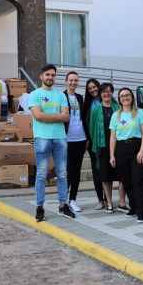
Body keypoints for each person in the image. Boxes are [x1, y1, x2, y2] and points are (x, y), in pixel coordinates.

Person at [29, 64, 74, 222]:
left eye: (53, 75)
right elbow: (38, 116)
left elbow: (66, 116)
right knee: (41, 174)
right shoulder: (34, 95)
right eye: (47, 75)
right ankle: (40, 207)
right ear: (41, 76)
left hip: (60, 137)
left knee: (62, 173)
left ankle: (63, 205)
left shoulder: (61, 96)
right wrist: (58, 116)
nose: (50, 77)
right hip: (42, 137)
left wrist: (50, 115)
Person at [109, 88, 143, 223]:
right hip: (121, 149)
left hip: (136, 147)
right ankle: (133, 206)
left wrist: (142, 150)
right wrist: (112, 155)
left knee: (137, 181)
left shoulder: (139, 113)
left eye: (127, 95)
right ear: (119, 99)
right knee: (126, 181)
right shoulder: (116, 115)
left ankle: (140, 211)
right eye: (122, 96)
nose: (125, 97)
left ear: (132, 97)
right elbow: (113, 137)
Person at [88, 83, 121, 213]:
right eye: (103, 92)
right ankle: (109, 202)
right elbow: (92, 129)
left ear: (112, 93)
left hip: (118, 145)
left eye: (108, 91)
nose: (106, 94)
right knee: (105, 175)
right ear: (100, 94)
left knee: (120, 175)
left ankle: (122, 202)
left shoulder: (118, 108)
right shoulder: (96, 111)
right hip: (102, 147)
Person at [63, 71, 87, 213]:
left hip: (80, 138)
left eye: (76, 80)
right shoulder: (61, 96)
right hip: (67, 138)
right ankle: (63, 199)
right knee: (68, 170)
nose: (73, 83)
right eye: (71, 80)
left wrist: (87, 138)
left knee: (77, 170)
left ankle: (73, 199)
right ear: (66, 81)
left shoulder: (80, 97)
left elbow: (83, 119)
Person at [81, 78, 106, 210]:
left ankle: (108, 198)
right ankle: (100, 199)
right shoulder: (86, 105)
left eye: (94, 87)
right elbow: (84, 123)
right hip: (93, 142)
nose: (93, 90)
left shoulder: (108, 101)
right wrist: (87, 139)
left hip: (107, 142)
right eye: (90, 88)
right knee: (96, 171)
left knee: (106, 170)